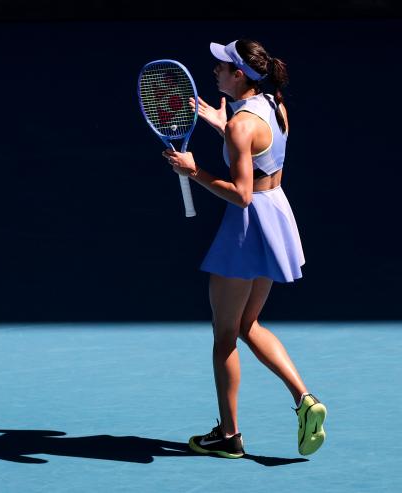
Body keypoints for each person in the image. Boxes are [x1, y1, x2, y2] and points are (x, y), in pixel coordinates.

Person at [162, 39, 327, 459]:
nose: (215, 70)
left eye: (222, 66)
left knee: (224, 337)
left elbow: (241, 195)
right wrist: (224, 123)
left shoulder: (240, 126)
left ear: (240, 75)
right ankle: (305, 399)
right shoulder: (274, 104)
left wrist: (193, 170)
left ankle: (229, 436)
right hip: (278, 217)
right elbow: (262, 152)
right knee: (248, 324)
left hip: (248, 227)